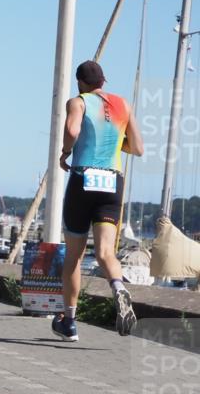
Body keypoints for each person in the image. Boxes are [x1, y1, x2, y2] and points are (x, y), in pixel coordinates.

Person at [55, 60, 143, 342]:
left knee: (74, 255)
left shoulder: (78, 102)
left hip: (84, 179)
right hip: (112, 182)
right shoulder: (123, 105)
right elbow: (138, 148)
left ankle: (69, 322)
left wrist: (65, 153)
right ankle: (118, 289)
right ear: (103, 81)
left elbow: (71, 131)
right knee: (106, 251)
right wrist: (118, 143)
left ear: (80, 82)